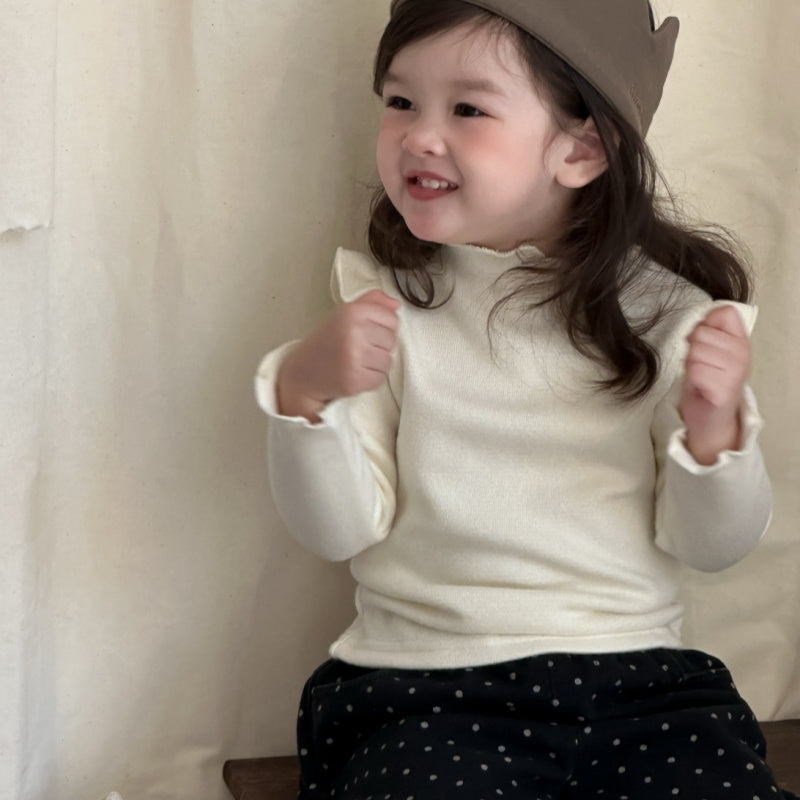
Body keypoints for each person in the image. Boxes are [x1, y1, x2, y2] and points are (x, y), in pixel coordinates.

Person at [255, 1, 793, 798]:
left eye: (467, 109)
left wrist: (715, 434)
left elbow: (712, 547)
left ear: (581, 149)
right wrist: (306, 396)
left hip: (643, 687)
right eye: (400, 100)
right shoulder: (385, 307)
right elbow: (338, 530)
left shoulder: (672, 317)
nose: (418, 135)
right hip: (430, 688)